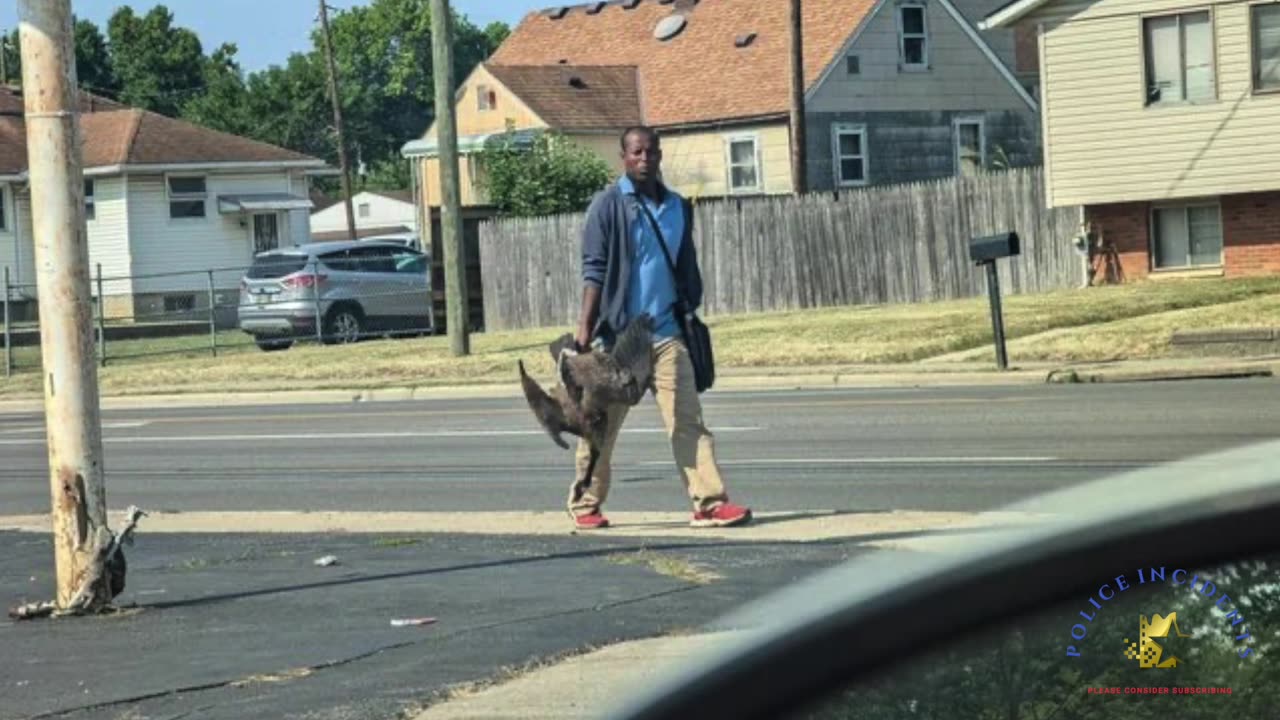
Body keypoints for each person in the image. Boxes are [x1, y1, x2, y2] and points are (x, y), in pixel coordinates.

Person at [567, 125, 753, 531]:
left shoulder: (677, 207)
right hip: (620, 340)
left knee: (688, 420)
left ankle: (709, 503)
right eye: (636, 152)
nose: (644, 159)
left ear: (660, 155)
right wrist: (584, 327)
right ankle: (585, 505)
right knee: (601, 427)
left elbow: (685, 264)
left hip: (668, 333)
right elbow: (594, 269)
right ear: (623, 157)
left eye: (651, 151)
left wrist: (690, 308)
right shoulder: (608, 205)